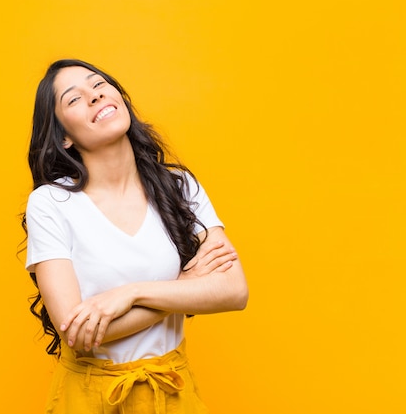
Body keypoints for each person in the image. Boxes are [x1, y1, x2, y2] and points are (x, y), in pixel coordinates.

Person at [22, 59, 248, 413]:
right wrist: (187, 285)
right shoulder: (51, 203)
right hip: (88, 398)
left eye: (98, 85)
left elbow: (234, 291)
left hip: (172, 393)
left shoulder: (180, 187)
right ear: (63, 136)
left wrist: (131, 294)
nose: (94, 96)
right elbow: (76, 332)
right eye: (74, 99)